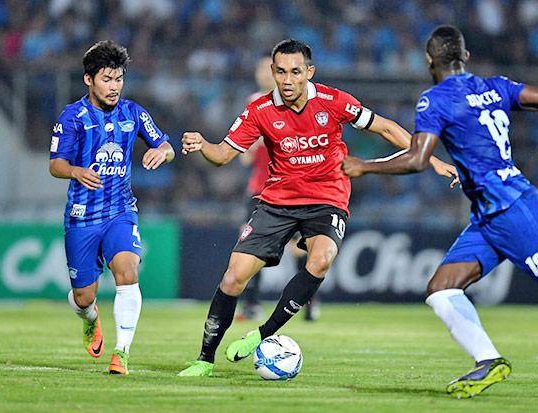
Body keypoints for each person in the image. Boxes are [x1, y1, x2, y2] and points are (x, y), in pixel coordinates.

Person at [178, 39, 457, 377]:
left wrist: (434, 161)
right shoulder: (259, 110)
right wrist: (203, 144)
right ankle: (205, 359)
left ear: (309, 72)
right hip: (278, 200)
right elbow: (223, 155)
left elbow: (385, 127)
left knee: (321, 258)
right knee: (234, 277)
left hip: (328, 197)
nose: (287, 79)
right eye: (280, 72)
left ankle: (263, 334)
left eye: (295, 71)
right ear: (273, 73)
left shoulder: (334, 101)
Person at [342, 25, 538, 398]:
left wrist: (365, 167)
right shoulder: (497, 85)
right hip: (490, 216)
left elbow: (417, 159)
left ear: (429, 60)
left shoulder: (434, 100)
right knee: (441, 289)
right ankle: (488, 360)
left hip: (513, 210)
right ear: (466, 57)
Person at [49, 40, 175, 375]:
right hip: (82, 217)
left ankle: (122, 352)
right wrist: (76, 170)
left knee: (127, 272)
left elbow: (166, 145)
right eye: (107, 79)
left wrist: (162, 152)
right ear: (89, 80)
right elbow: (55, 164)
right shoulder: (72, 116)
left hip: (120, 211)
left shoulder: (133, 113)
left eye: (118, 79)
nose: (114, 86)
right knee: (83, 297)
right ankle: (90, 320)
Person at [237, 56, 318, 322]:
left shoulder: (296, 102)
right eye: (260, 69)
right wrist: (253, 145)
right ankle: (251, 304)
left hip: (293, 185)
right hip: (260, 186)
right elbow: (245, 153)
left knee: (299, 246)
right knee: (251, 244)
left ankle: (307, 301)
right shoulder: (255, 103)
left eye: (267, 69)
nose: (263, 73)